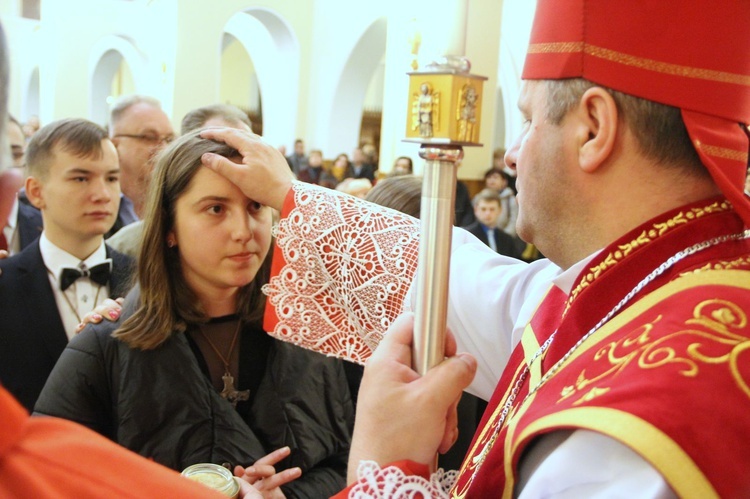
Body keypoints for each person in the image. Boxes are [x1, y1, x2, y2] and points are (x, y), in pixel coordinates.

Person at [198, 0, 750, 495]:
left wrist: (384, 466)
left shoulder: (636, 424)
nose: (510, 155)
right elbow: (466, 283)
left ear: (593, 130)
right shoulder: (658, 283)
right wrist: (289, 196)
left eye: (529, 119)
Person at [34, 130, 354, 498]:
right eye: (215, 209)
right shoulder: (105, 344)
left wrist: (288, 496)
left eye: (255, 207)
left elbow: (352, 461)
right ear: (170, 227)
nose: (243, 231)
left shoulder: (311, 328)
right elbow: (45, 476)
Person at [0, 118, 134, 412]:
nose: (102, 194)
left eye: (111, 178)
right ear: (36, 192)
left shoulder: (147, 279)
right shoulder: (5, 285)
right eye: (81, 178)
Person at [107, 103, 252, 258]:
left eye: (169, 139)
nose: (162, 148)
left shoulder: (274, 233)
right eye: (216, 209)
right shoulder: (124, 247)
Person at [108, 94, 174, 223]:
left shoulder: (176, 205)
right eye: (149, 137)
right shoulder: (99, 203)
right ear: (115, 145)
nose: (164, 149)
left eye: (169, 139)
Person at [463, 188, 521, 259]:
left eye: (492, 209)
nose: (488, 213)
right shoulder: (468, 235)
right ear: (476, 210)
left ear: (500, 210)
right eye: (483, 209)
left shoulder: (507, 239)